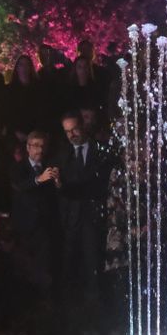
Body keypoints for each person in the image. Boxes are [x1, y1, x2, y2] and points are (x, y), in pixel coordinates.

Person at [54, 113, 113, 306]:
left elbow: (98, 184)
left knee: (92, 262)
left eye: (74, 130)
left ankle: (95, 307)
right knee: (69, 264)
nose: (71, 135)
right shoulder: (62, 153)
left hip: (92, 216)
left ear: (83, 126)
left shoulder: (101, 150)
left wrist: (65, 187)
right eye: (67, 132)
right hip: (69, 217)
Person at [9, 130, 60, 295]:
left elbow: (56, 196)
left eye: (42, 146)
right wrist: (38, 179)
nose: (40, 150)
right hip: (24, 227)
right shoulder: (18, 167)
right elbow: (19, 186)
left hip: (45, 227)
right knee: (24, 269)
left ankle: (45, 300)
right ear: (28, 147)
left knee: (44, 269)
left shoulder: (50, 166)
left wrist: (58, 182)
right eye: (36, 146)